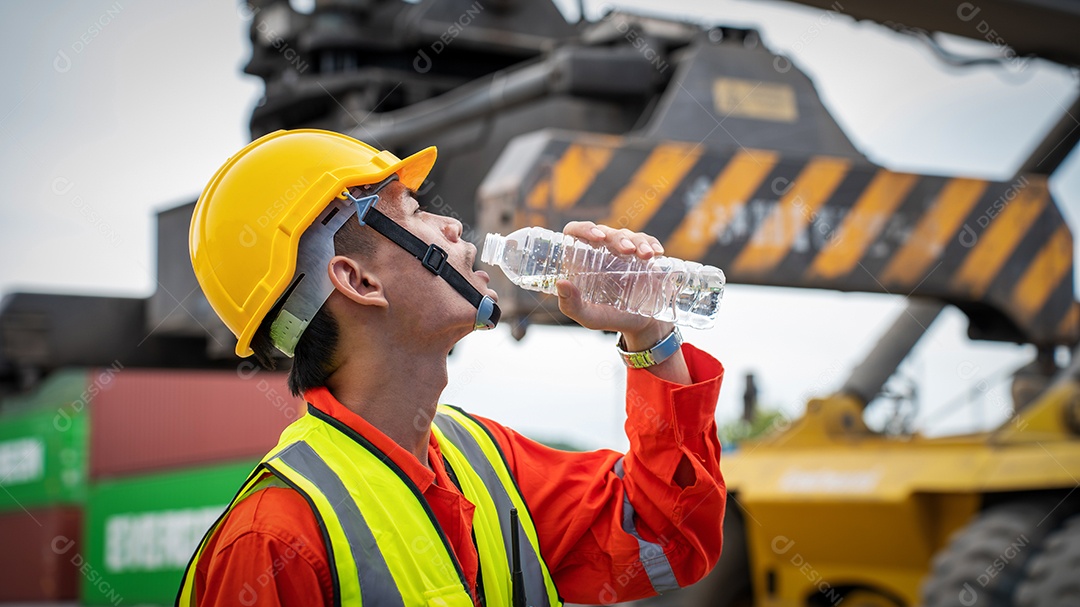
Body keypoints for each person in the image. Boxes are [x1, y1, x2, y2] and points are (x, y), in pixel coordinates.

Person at [177, 129, 726, 606]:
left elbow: (665, 540)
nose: (453, 226)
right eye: (415, 213)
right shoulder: (272, 541)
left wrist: (646, 331)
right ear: (358, 280)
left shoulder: (483, 461)